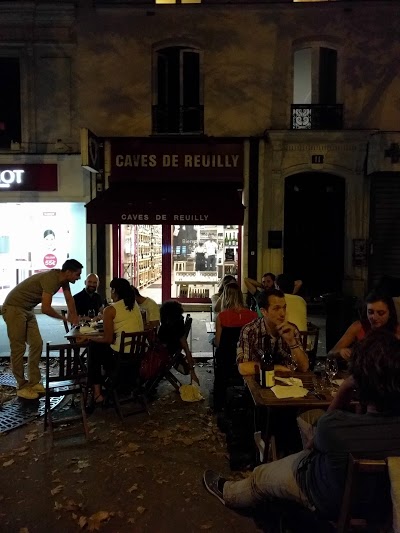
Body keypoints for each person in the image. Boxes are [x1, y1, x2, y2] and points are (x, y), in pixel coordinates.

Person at [203, 329, 400, 520]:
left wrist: (343, 391)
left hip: (324, 497)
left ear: (357, 381)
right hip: (381, 508)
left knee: (261, 475)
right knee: (308, 419)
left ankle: (228, 492)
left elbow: (311, 445)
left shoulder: (334, 427)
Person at [1, 259, 82, 400]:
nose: (79, 277)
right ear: (68, 272)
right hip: (14, 308)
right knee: (18, 348)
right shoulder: (51, 279)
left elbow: (69, 299)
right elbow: (46, 308)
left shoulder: (63, 280)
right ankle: (21, 386)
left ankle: (33, 382)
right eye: (77, 274)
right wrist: (64, 319)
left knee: (37, 343)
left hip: (27, 309)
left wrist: (74, 319)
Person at [77, 278, 144, 404]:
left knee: (94, 348)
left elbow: (107, 339)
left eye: (111, 290)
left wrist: (88, 337)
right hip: (137, 356)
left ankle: (97, 393)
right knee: (99, 347)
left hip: (120, 359)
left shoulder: (111, 309)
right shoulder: (133, 304)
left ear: (114, 291)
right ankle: (103, 388)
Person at [237, 288, 309, 373]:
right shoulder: (250, 330)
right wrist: (276, 368)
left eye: (284, 307)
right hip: (260, 379)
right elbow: (243, 368)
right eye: (276, 308)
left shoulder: (291, 329)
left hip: (288, 379)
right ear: (264, 311)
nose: (282, 313)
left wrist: (292, 342)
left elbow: (304, 367)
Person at [328, 289, 400, 361]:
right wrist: (340, 352)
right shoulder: (358, 327)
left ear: (390, 313)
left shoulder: (397, 329)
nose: (374, 317)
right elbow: (331, 353)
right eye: (370, 312)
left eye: (381, 313)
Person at [158, 300, 199, 386]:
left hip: (163, 354)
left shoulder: (167, 328)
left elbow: (184, 345)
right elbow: (185, 346)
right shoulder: (178, 324)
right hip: (171, 352)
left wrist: (192, 371)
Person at [215, 282, 258, 347]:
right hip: (246, 351)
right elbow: (256, 341)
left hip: (226, 352)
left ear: (225, 297)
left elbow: (218, 343)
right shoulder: (254, 315)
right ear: (240, 295)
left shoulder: (221, 317)